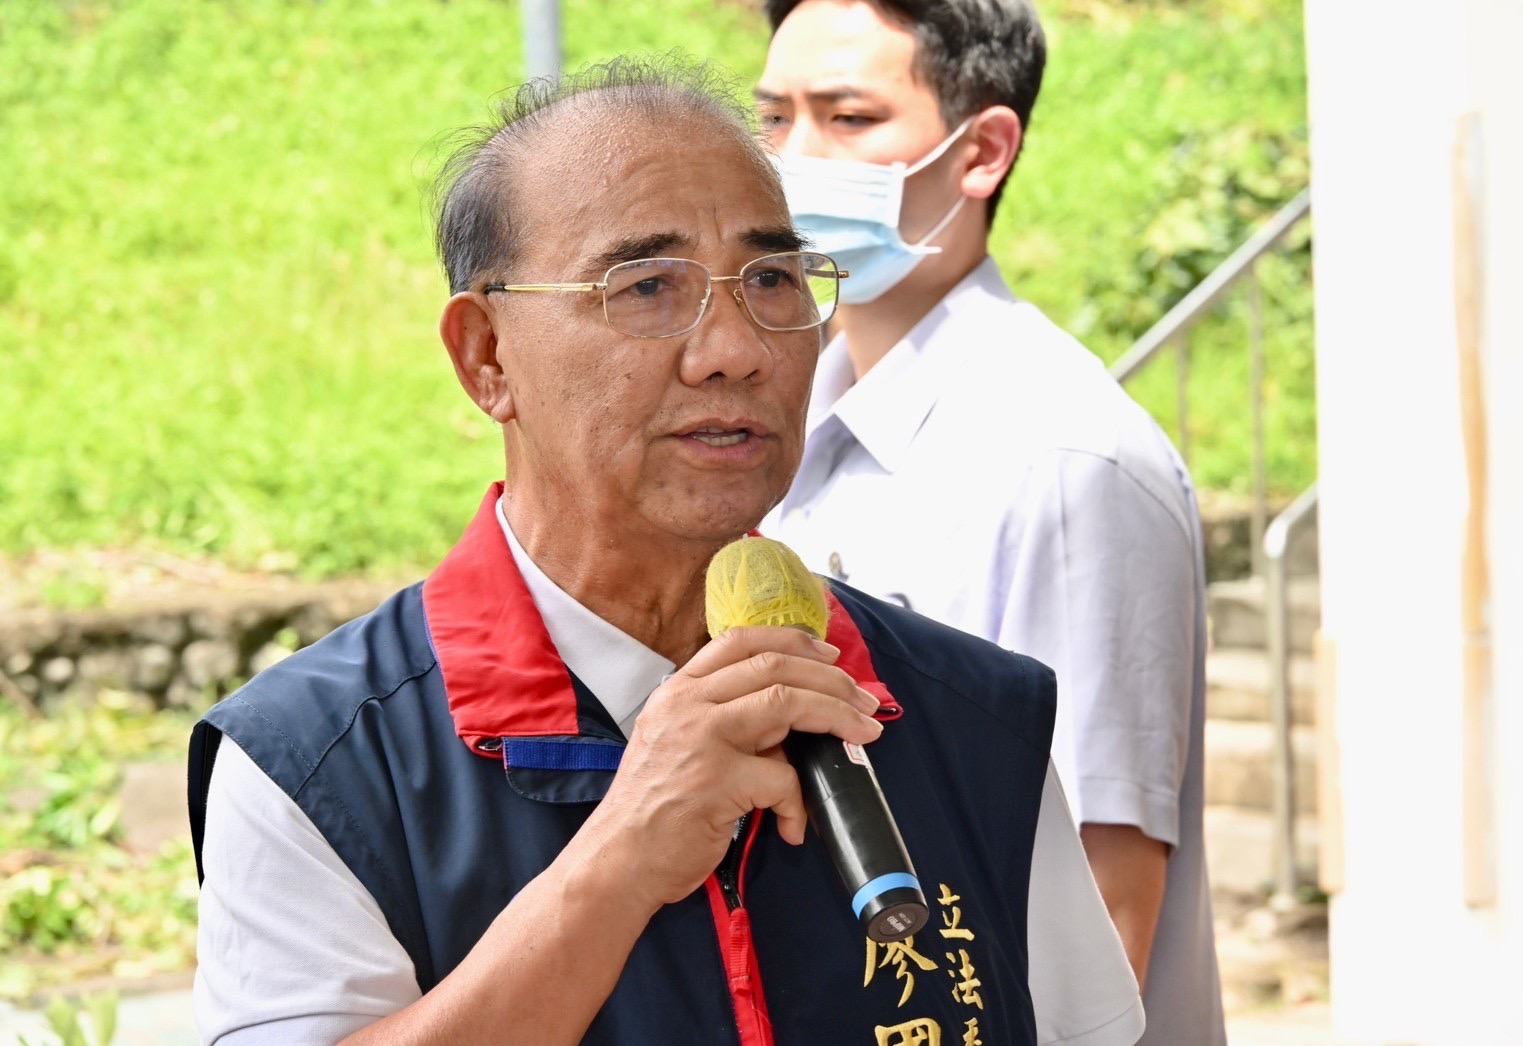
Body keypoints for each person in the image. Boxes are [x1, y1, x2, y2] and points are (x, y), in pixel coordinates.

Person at [186, 56, 1146, 1045]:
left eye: (771, 278)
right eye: (646, 286)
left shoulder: (970, 718)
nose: (735, 349)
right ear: (486, 356)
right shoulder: (320, 763)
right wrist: (621, 857)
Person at [754, 3, 1225, 1042]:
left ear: (982, 152)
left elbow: (1103, 909)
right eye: (774, 118)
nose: (793, 162)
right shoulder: (786, 425)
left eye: (847, 118)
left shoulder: (1064, 464)